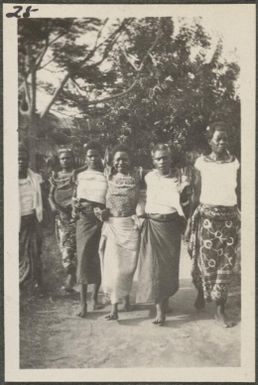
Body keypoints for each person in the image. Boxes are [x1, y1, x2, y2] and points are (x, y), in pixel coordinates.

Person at [187, 121, 240, 328]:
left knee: (226, 264)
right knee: (204, 261)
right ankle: (201, 292)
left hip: (229, 221)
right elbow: (195, 193)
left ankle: (220, 310)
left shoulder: (235, 162)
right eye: (218, 138)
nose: (222, 142)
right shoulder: (201, 163)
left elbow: (240, 191)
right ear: (210, 141)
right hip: (207, 220)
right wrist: (189, 222)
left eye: (225, 138)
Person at [136, 143, 187, 326]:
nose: (162, 161)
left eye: (165, 157)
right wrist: (139, 214)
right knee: (155, 267)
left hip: (171, 226)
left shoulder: (180, 178)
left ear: (171, 159)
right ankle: (160, 309)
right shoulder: (148, 176)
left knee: (168, 268)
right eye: (158, 158)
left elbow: (187, 202)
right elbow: (138, 196)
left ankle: (165, 300)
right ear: (153, 161)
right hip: (153, 225)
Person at [99, 144, 142, 321]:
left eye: (124, 158)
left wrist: (141, 216)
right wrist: (101, 213)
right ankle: (114, 307)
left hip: (131, 226)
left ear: (130, 160)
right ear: (112, 162)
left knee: (128, 268)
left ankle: (126, 298)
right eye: (117, 159)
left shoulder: (138, 176)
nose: (121, 162)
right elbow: (100, 200)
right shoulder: (107, 177)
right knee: (115, 267)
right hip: (113, 226)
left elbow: (142, 198)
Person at [73, 142, 108, 317]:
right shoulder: (79, 175)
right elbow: (74, 197)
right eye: (90, 155)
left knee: (100, 256)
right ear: (85, 157)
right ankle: (83, 304)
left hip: (102, 219)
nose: (93, 158)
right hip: (85, 219)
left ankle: (95, 298)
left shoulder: (106, 175)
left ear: (100, 157)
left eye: (96, 155)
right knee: (83, 258)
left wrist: (105, 212)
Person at [48, 148, 77, 293]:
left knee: (73, 248)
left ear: (73, 159)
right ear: (59, 161)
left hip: (75, 216)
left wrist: (73, 206)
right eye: (63, 158)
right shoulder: (55, 176)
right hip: (61, 217)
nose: (66, 161)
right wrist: (54, 207)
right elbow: (50, 195)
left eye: (68, 158)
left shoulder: (76, 175)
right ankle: (70, 276)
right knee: (64, 248)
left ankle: (71, 279)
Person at [19, 145, 44, 295]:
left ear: (28, 161)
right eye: (18, 159)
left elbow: (43, 199)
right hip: (15, 222)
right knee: (19, 252)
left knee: (35, 252)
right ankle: (20, 283)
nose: (21, 162)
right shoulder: (7, 179)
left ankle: (38, 285)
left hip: (33, 219)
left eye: (23, 159)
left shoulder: (35, 178)